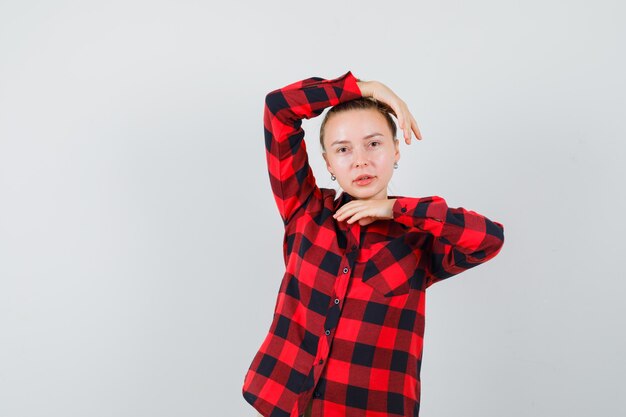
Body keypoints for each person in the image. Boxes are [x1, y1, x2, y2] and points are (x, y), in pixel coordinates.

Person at [242, 70, 505, 417]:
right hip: (283, 402)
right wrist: (366, 88)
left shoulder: (418, 238)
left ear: (396, 150)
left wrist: (395, 209)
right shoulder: (304, 211)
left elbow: (489, 238)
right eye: (343, 149)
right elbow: (278, 108)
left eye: (374, 143)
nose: (361, 160)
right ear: (329, 163)